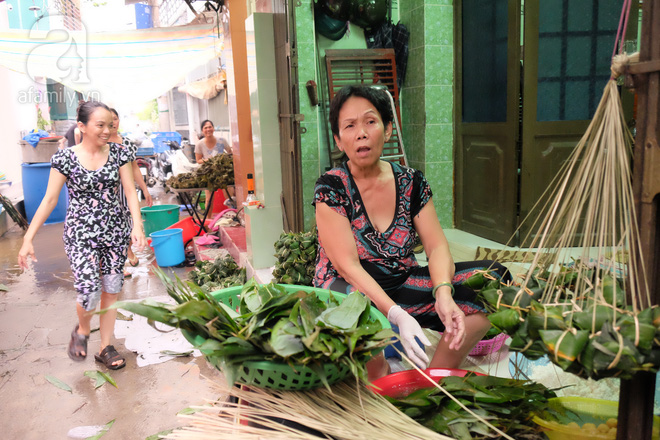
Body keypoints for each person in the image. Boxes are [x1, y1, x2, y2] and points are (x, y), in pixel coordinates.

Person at [313, 85, 511, 376]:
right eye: (350, 126)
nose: (361, 133)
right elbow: (347, 266)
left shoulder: (411, 182)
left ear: (388, 129)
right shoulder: (332, 187)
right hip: (350, 287)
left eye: (370, 121)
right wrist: (395, 314)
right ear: (339, 140)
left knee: (493, 282)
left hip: (401, 280)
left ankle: (435, 377)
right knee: (356, 312)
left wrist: (444, 292)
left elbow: (437, 247)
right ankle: (378, 378)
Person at [18, 101, 147, 370]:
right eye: (99, 125)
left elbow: (129, 191)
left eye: (109, 125)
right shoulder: (65, 158)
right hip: (80, 234)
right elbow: (50, 199)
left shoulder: (120, 154)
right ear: (82, 126)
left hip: (114, 231)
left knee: (111, 289)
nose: (106, 130)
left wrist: (137, 225)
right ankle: (84, 329)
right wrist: (28, 237)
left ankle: (106, 347)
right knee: (88, 291)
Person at [108, 108, 153, 275]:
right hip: (107, 191)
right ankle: (120, 263)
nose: (112, 122)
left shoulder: (126, 143)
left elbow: (135, 168)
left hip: (125, 190)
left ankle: (127, 252)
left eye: (115, 118)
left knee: (126, 222)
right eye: (109, 119)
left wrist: (145, 190)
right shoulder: (100, 143)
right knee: (112, 224)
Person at [194, 119, 234, 209]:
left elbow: (230, 153)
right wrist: (209, 160)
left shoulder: (222, 141)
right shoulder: (199, 144)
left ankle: (232, 216)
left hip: (224, 173)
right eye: (205, 128)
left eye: (210, 127)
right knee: (209, 199)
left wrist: (225, 160)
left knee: (229, 198)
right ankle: (208, 221)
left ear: (213, 128)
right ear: (202, 130)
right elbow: (198, 160)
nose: (208, 129)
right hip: (209, 173)